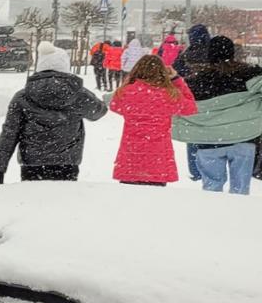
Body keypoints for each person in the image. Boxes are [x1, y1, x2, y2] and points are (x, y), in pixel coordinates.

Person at [0, 43, 107, 184]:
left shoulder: (22, 96)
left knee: (33, 203)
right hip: (67, 162)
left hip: (32, 163)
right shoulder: (78, 95)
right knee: (63, 203)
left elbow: (9, 134)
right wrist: (80, 90)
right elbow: (99, 112)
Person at [171, 36, 262, 195]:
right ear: (233, 53)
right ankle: (237, 217)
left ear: (209, 55)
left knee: (211, 188)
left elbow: (179, 102)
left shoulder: (196, 81)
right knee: (241, 189)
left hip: (208, 142)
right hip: (244, 138)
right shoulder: (251, 75)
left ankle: (213, 216)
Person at [110, 55, 196, 186]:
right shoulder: (169, 94)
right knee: (154, 203)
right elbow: (191, 108)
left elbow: (114, 105)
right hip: (158, 159)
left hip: (131, 157)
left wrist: (130, 81)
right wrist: (176, 79)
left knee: (128, 203)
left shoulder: (127, 92)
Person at [174, 23, 214, 179]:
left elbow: (177, 72)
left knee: (193, 135)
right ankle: (211, 169)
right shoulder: (213, 52)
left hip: (193, 98)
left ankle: (195, 170)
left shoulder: (187, 54)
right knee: (211, 134)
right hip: (214, 98)